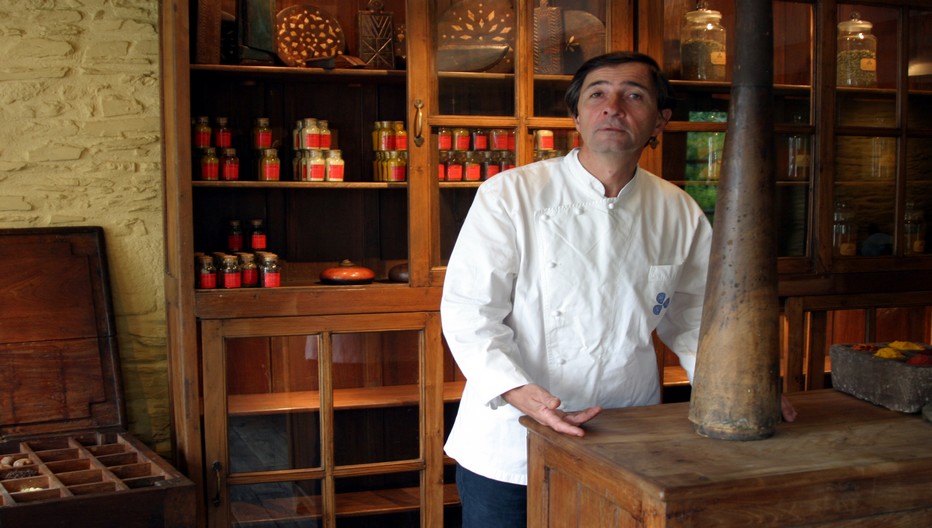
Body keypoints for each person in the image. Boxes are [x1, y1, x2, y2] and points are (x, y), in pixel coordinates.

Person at [440, 51, 711, 527]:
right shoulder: (510, 194)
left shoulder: (678, 210)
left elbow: (693, 319)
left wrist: (733, 386)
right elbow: (469, 312)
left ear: (660, 120)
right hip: (513, 434)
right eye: (598, 94)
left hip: (624, 431)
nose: (613, 107)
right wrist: (519, 391)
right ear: (577, 116)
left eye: (634, 95)